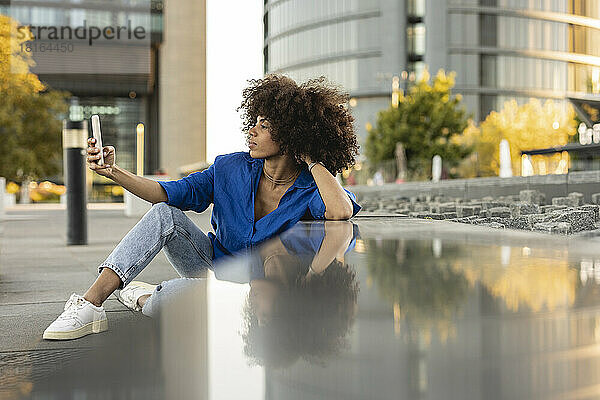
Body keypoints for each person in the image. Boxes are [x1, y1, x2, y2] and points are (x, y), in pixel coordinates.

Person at [43, 74, 362, 340]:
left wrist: (313, 158)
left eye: (264, 126)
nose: (251, 131)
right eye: (255, 122)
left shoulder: (310, 187)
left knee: (170, 298)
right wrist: (113, 172)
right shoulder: (228, 167)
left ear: (293, 136)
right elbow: (164, 194)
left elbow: (340, 211)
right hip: (212, 266)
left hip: (251, 294)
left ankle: (143, 296)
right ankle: (90, 305)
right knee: (164, 215)